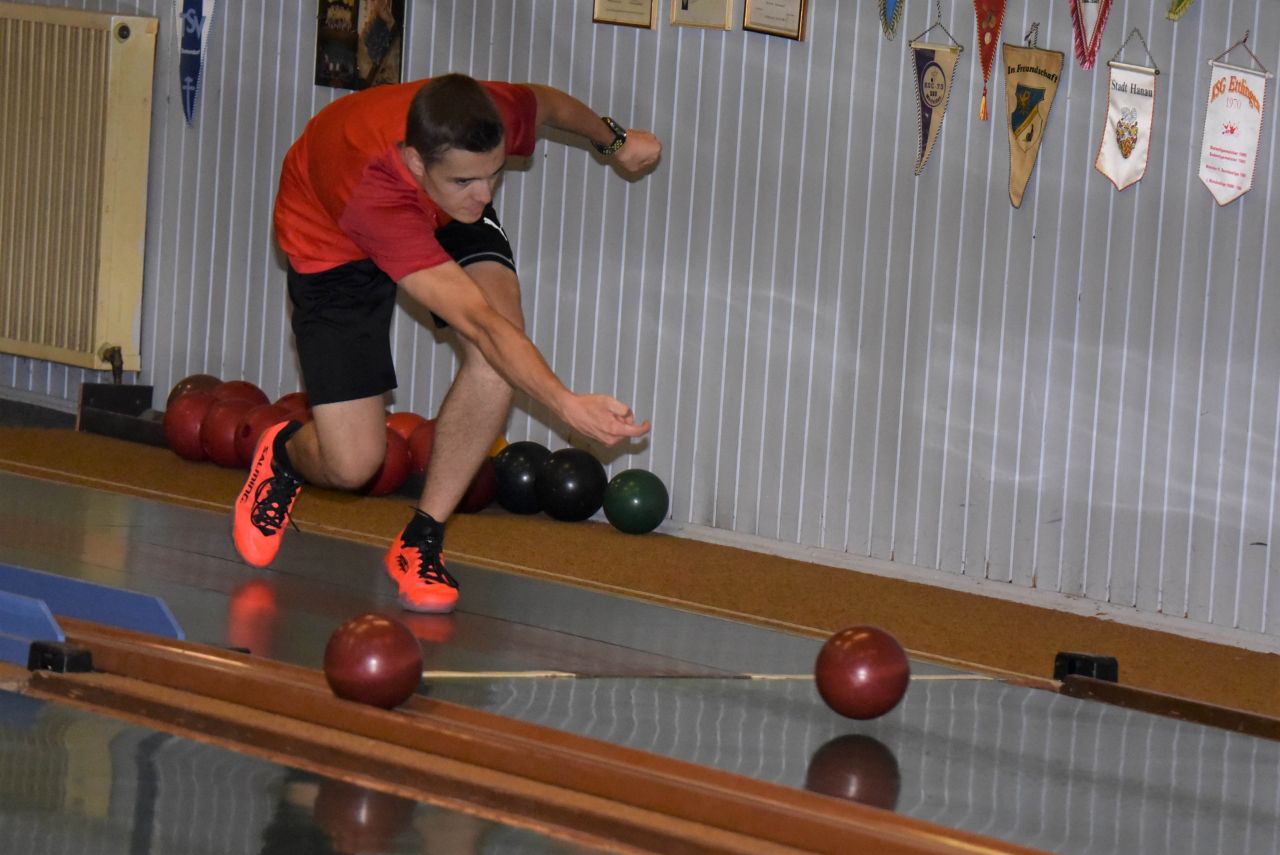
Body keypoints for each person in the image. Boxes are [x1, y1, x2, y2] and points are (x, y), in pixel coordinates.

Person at [232, 73, 662, 614]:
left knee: (498, 351)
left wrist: (615, 141)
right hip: (332, 242)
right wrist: (566, 404)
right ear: (416, 162)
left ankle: (422, 539)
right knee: (353, 465)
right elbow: (478, 322)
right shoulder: (369, 193)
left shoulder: (483, 131)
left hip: (436, 200)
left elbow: (549, 107)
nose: (487, 195)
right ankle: (285, 454)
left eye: (496, 173)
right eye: (470, 180)